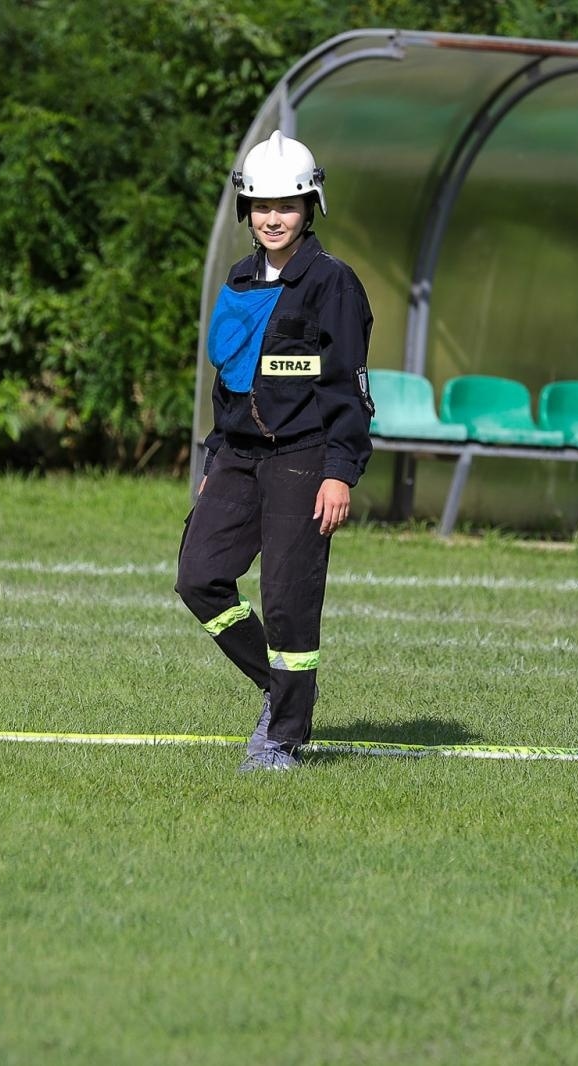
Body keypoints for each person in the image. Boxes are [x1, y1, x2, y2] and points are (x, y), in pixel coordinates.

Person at [175, 130, 376, 773]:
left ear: (310, 206)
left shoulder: (333, 283)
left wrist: (339, 472)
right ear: (247, 209)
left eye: (286, 205)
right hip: (238, 454)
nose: (272, 218)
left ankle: (282, 738)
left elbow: (347, 386)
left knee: (288, 600)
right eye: (261, 205)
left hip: (304, 457)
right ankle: (280, 690)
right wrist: (214, 458)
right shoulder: (240, 278)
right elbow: (230, 378)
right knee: (198, 576)